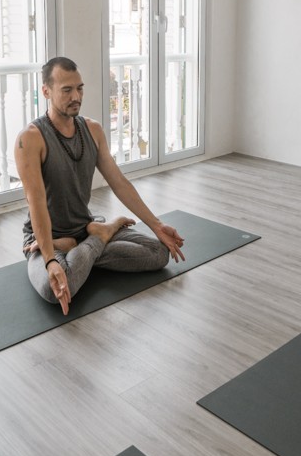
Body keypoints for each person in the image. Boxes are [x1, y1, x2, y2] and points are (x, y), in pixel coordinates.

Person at [17, 56, 185, 315]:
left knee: (158, 253)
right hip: (45, 239)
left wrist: (156, 225)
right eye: (67, 90)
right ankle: (94, 239)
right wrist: (50, 259)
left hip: (85, 226)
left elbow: (119, 183)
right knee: (54, 290)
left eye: (79, 88)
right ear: (46, 91)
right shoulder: (30, 139)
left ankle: (87, 243)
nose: (76, 96)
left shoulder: (93, 130)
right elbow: (36, 201)